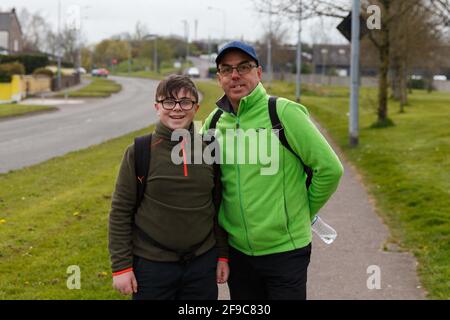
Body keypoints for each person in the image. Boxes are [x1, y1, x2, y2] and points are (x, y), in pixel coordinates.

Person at [201, 41, 344, 300]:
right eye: (226, 69)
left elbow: (330, 169)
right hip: (238, 255)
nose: (235, 75)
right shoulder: (213, 122)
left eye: (243, 67)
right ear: (219, 77)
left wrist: (302, 212)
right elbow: (203, 184)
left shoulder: (283, 112)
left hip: (285, 252)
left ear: (259, 72)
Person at [108, 74, 229, 300]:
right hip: (152, 267)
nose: (177, 109)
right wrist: (121, 268)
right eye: (168, 102)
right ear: (157, 107)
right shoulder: (139, 151)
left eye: (185, 102)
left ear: (196, 107)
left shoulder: (210, 148)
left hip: (201, 265)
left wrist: (222, 255)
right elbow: (120, 212)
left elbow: (217, 207)